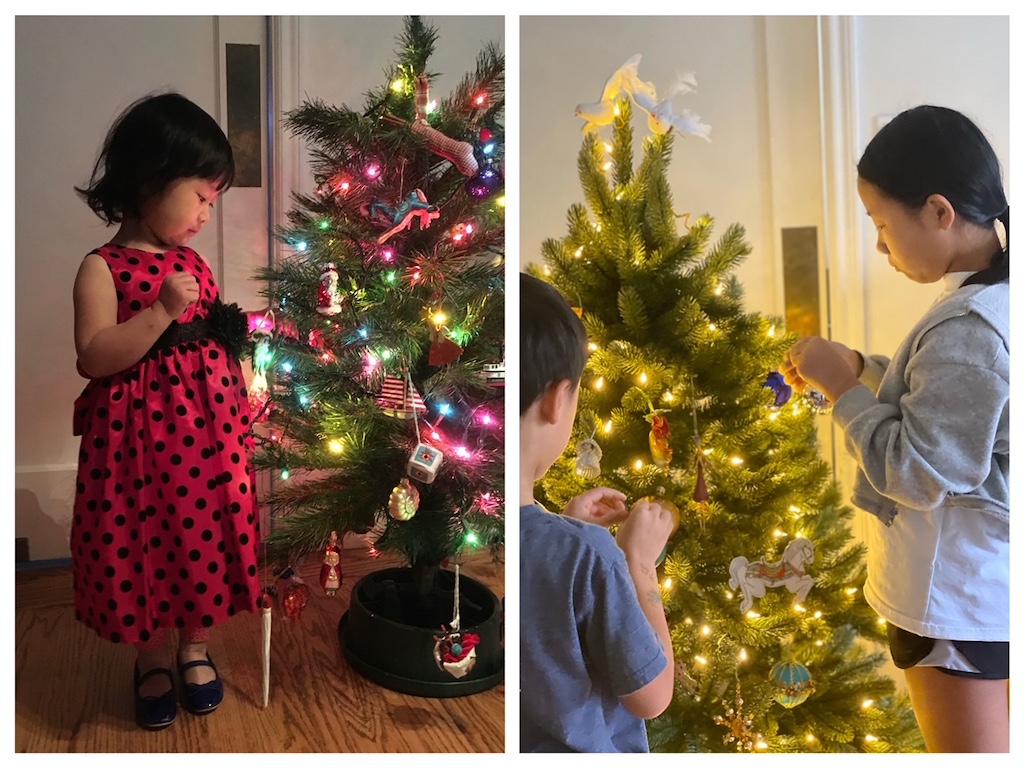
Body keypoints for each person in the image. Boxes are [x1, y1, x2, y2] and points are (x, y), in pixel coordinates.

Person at [780, 105, 1008, 753]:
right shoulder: (988, 300)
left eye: (882, 223)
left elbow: (916, 469)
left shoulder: (971, 327)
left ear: (939, 211)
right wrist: (862, 368)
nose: (880, 245)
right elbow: (947, 410)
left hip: (954, 602)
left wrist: (845, 389)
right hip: (972, 590)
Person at [71, 92, 260, 730]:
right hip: (133, 443)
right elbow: (95, 355)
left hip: (206, 435)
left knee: (202, 530)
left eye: (215, 201)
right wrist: (158, 313)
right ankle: (151, 656)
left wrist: (243, 387)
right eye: (201, 197)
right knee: (145, 540)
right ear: (149, 179)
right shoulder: (103, 268)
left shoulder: (194, 265)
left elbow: (214, 337)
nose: (208, 213)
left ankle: (195, 647)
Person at [519, 272, 676, 752]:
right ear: (555, 399)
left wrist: (569, 525)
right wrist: (640, 563)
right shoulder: (592, 555)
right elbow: (652, 696)